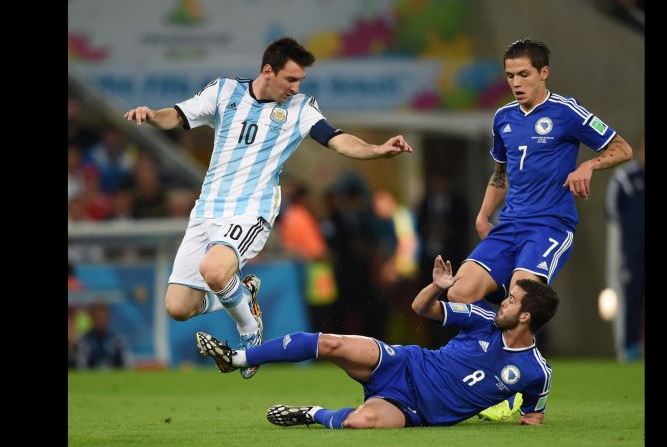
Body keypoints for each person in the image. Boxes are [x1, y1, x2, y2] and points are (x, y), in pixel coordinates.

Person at [123, 37, 413, 379]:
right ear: (267, 71)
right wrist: (151, 114)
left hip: (251, 211)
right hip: (206, 212)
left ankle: (249, 333)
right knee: (177, 307)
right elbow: (177, 115)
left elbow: (338, 139)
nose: (295, 87)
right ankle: (244, 294)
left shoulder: (301, 109)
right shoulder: (224, 91)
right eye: (290, 79)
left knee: (215, 271)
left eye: (300, 81)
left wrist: (377, 149)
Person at [196, 255, 559, 428]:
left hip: (413, 410)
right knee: (331, 342)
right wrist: (438, 287)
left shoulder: (536, 373)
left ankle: (310, 413)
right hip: (404, 362)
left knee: (360, 423)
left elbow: (533, 418)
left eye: (511, 301)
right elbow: (422, 308)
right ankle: (237, 358)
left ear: (526, 317)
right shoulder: (482, 321)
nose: (504, 302)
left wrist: (520, 418)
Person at [447, 38, 633, 306]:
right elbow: (502, 173)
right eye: (510, 76)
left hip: (549, 225)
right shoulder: (503, 118)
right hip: (509, 224)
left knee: (520, 298)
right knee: (458, 293)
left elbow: (622, 148)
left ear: (544, 72)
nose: (516, 83)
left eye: (524, 74)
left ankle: (518, 328)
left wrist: (588, 165)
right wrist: (483, 215)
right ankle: (494, 338)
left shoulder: (566, 111)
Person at [605, 133, 644, 362]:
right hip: (634, 254)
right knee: (632, 299)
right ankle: (629, 348)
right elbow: (612, 212)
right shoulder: (626, 178)